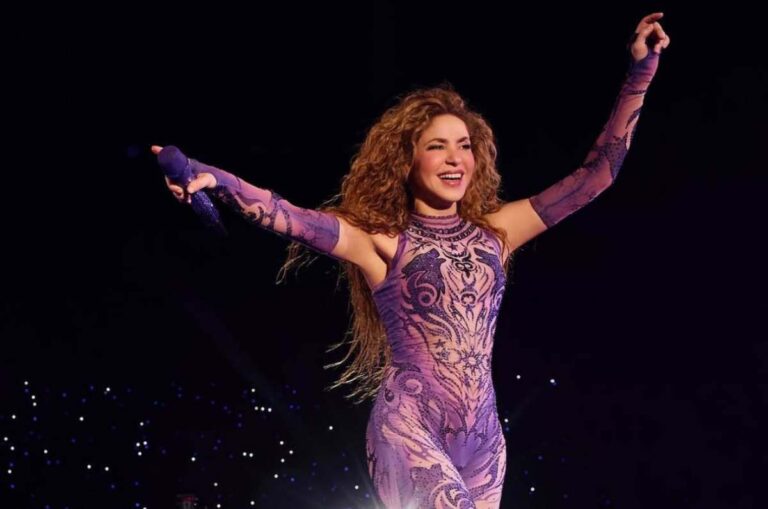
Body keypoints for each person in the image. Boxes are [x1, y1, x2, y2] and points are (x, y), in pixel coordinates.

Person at [153, 12, 669, 509]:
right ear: (408, 160)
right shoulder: (380, 241)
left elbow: (596, 176)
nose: (455, 159)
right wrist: (210, 176)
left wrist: (640, 73)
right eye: (437, 147)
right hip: (410, 428)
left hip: (486, 441)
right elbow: (289, 216)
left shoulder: (499, 231)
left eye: (464, 146)